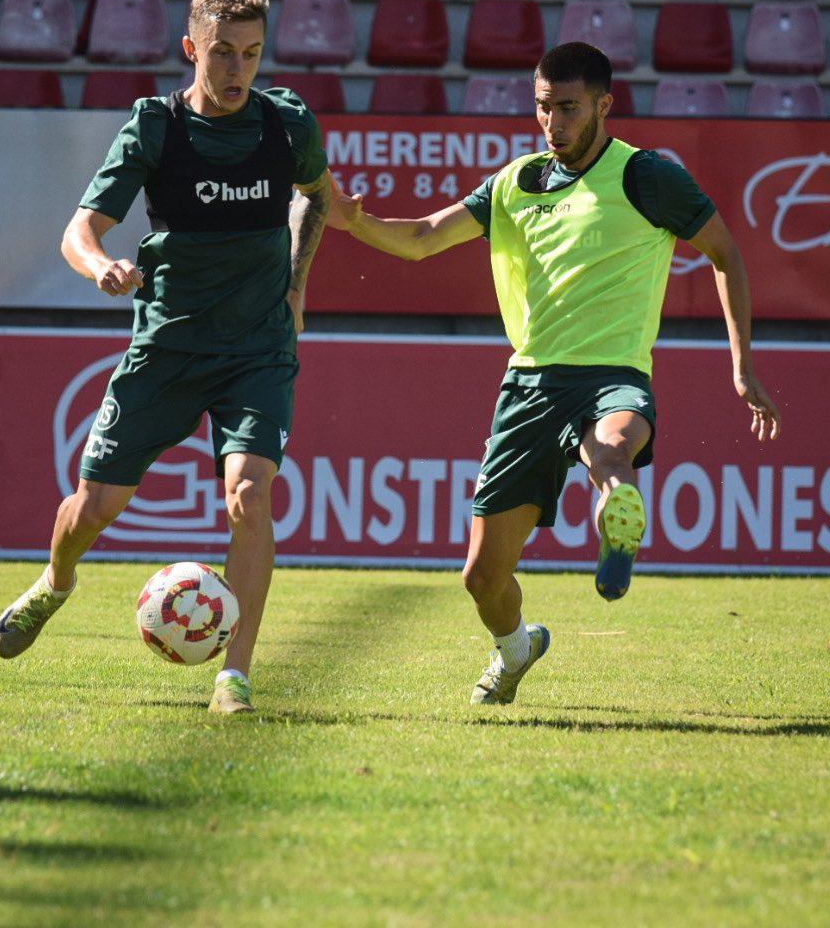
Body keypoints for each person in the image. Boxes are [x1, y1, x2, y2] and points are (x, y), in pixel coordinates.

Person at [327, 41, 782, 707]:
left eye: (568, 108)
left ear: (604, 105)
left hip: (613, 372)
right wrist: (347, 218)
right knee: (482, 578)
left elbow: (725, 254)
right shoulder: (516, 183)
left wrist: (741, 364)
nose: (553, 123)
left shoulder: (647, 176)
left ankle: (615, 517)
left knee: (615, 440)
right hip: (530, 384)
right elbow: (423, 237)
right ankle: (516, 648)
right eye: (543, 108)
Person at [0, 0, 335, 716]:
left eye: (251, 54)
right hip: (168, 348)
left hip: (257, 351)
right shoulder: (156, 128)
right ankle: (55, 583)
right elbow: (78, 232)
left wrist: (297, 281)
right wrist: (102, 266)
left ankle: (233, 677)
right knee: (92, 510)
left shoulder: (286, 123)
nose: (238, 69)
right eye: (222, 54)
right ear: (192, 49)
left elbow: (317, 192)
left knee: (249, 495)